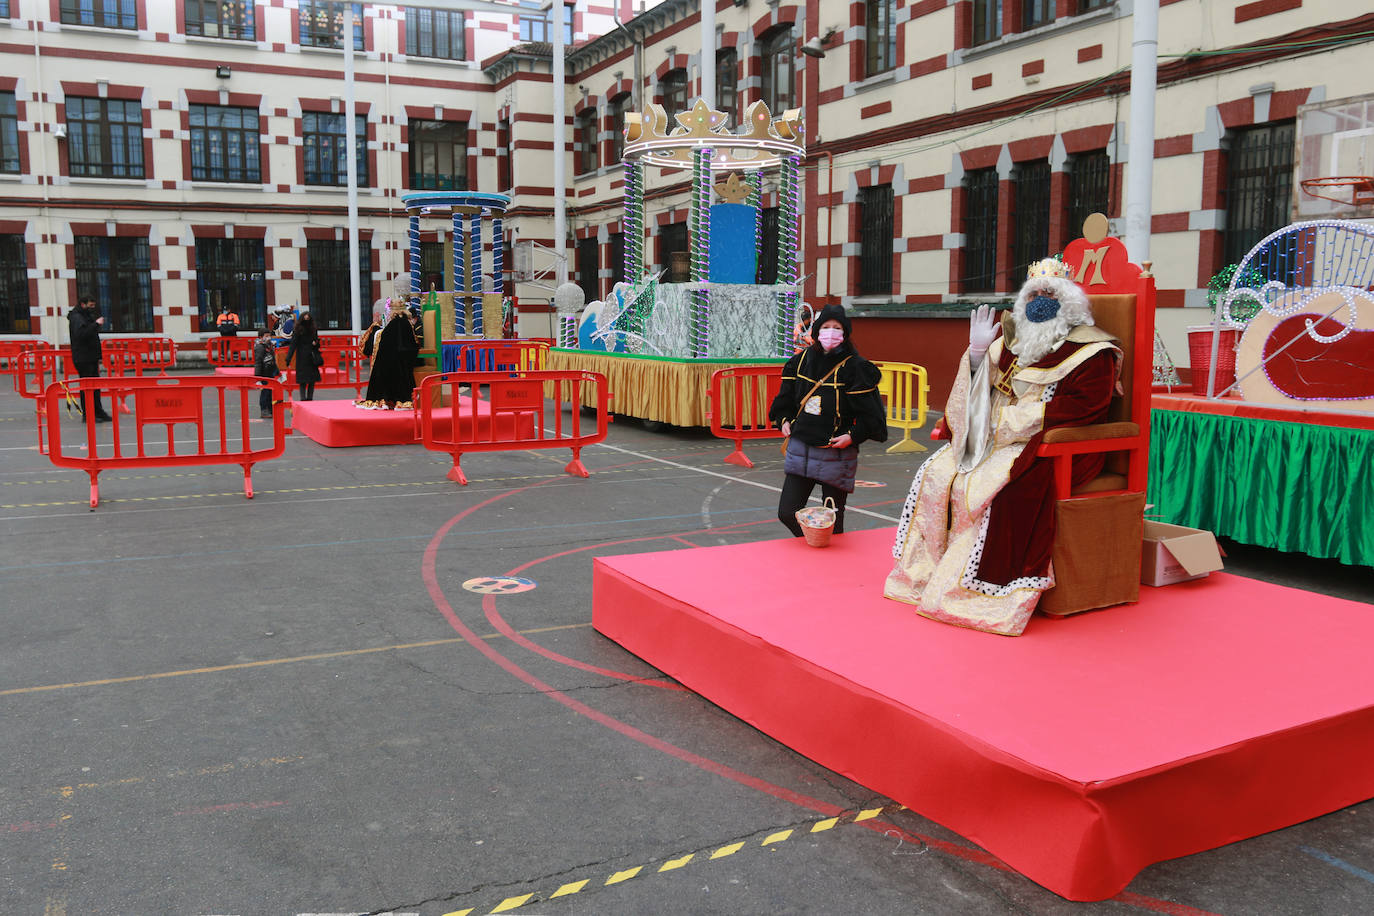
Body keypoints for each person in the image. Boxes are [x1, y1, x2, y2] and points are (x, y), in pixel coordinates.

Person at [883, 258, 1121, 636]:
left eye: (1050, 294)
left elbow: (1085, 408)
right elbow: (975, 397)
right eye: (1034, 294)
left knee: (997, 491)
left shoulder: (1093, 353)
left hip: (1047, 445)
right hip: (990, 440)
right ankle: (926, 573)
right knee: (937, 472)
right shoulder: (1010, 341)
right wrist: (977, 355)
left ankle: (983, 593)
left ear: (1070, 303)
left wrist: (1008, 424)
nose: (1040, 301)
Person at [767, 304, 888, 537]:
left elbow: (871, 415)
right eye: (826, 327)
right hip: (801, 449)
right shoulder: (799, 362)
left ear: (845, 333)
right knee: (788, 511)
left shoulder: (856, 367)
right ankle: (814, 543)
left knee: (833, 522)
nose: (831, 332)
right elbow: (785, 400)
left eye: (837, 327)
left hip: (836, 452)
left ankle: (830, 562)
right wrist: (783, 419)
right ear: (817, 330)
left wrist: (853, 436)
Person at [358, 299, 420, 408]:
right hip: (405, 360)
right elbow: (414, 343)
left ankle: (385, 398)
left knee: (380, 366)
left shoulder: (392, 324)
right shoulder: (407, 323)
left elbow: (384, 344)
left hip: (390, 361)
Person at [67, 294, 111, 422]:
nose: (92, 308)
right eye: (90, 306)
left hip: (90, 357)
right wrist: (96, 324)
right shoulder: (77, 318)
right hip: (83, 358)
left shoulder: (85, 316)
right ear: (83, 304)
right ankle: (88, 414)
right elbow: (81, 334)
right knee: (87, 388)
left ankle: (98, 411)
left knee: (95, 387)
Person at [285, 311, 322, 401]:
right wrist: (288, 358)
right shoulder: (300, 330)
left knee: (309, 380)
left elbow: (316, 343)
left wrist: (315, 343)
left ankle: (308, 398)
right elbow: (293, 344)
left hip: (308, 357)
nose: (307, 321)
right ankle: (305, 398)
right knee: (305, 380)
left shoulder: (309, 329)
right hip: (305, 357)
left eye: (308, 318)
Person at [253, 327, 278, 419]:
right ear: (261, 337)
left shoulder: (270, 346)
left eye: (269, 336)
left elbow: (273, 360)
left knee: (270, 392)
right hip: (264, 373)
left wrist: (278, 373)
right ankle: (264, 410)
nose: (268, 338)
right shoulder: (260, 347)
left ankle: (270, 409)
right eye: (266, 336)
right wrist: (257, 378)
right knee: (265, 392)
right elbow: (258, 362)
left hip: (270, 372)